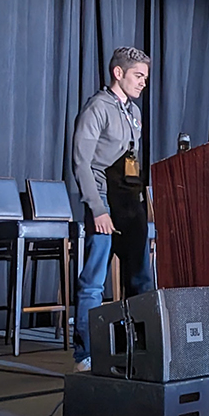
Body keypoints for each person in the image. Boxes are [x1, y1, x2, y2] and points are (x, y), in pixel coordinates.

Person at [71, 46, 154, 372]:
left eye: (145, 77)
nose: (143, 82)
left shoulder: (133, 112)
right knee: (94, 280)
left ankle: (142, 349)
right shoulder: (98, 108)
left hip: (128, 204)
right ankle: (85, 354)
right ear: (118, 73)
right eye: (138, 75)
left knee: (141, 279)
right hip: (103, 201)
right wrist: (97, 209)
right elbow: (82, 162)